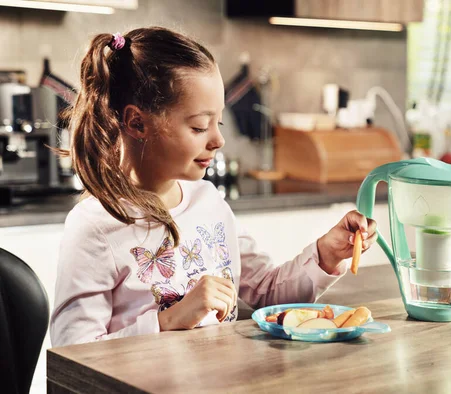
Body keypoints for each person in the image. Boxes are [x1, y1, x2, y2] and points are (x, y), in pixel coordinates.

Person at [50, 27, 377, 347]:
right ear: (138, 123)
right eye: (199, 126)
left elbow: (267, 293)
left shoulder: (208, 201)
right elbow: (74, 351)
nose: (218, 140)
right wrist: (169, 321)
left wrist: (327, 254)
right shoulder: (95, 225)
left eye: (217, 123)